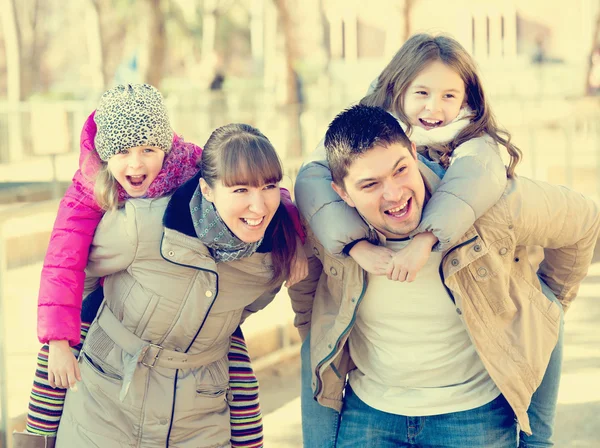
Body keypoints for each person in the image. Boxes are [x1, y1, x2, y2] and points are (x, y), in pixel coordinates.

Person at [293, 33, 560, 448]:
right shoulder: (359, 143)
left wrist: (426, 240)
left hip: (471, 412)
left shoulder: (478, 154)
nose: (434, 108)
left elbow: (570, 230)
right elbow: (310, 181)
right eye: (421, 93)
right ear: (396, 89)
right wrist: (354, 246)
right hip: (373, 408)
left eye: (449, 95)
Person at [14, 84, 306, 448]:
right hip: (110, 377)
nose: (136, 163)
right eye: (122, 152)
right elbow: (66, 262)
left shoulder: (197, 168)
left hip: (199, 395)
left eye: (148, 150)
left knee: (229, 341)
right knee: (70, 331)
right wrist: (60, 336)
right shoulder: (105, 197)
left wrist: (292, 236)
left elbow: (255, 185)